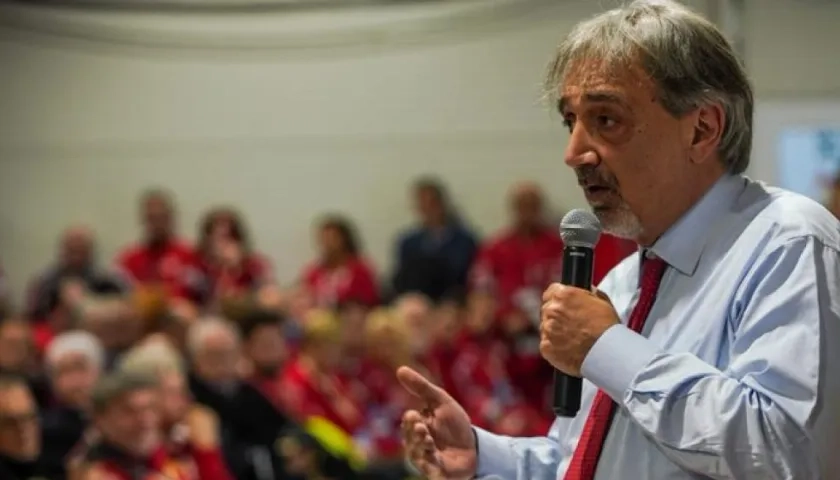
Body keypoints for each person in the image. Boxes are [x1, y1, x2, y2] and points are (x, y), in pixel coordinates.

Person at [397, 1, 840, 479]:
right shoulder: (623, 282)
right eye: (572, 122)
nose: (574, 153)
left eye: (606, 120)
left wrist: (609, 347)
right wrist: (485, 456)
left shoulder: (787, 242)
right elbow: (587, 461)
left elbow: (788, 453)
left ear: (702, 129)